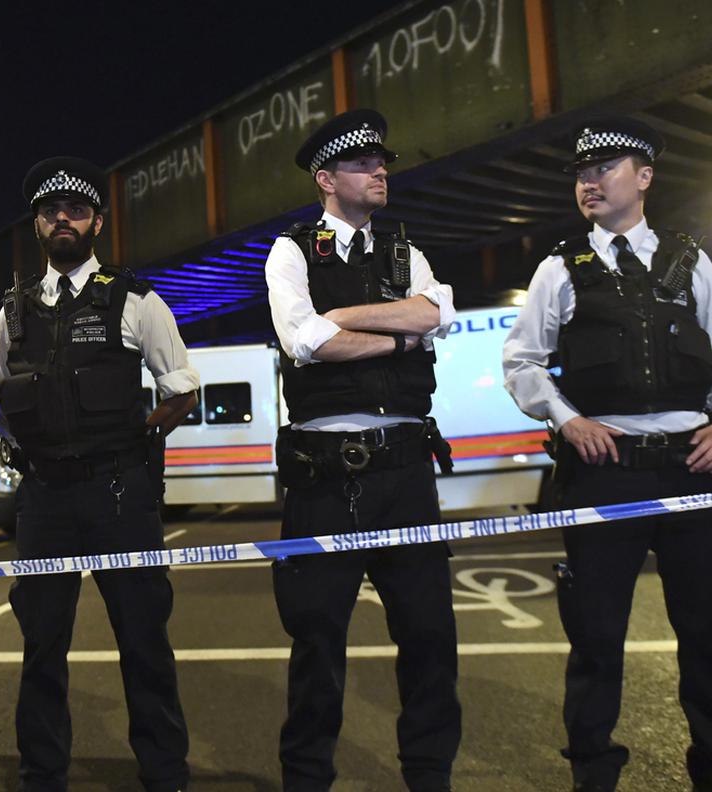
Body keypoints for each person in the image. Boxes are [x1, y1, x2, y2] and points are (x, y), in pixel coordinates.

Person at [502, 116, 712, 792]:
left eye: (604, 169)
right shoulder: (560, 266)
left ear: (644, 177)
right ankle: (593, 768)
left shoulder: (690, 259)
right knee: (595, 632)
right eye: (582, 173)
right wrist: (567, 419)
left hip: (692, 462)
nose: (588, 181)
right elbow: (522, 363)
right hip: (604, 466)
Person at [265, 109, 460, 792]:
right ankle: (307, 778)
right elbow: (304, 342)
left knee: (430, 636)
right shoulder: (290, 252)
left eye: (382, 162)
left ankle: (429, 775)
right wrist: (397, 331)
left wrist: (346, 318)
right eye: (362, 164)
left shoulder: (408, 250)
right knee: (318, 643)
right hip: (326, 476)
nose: (380, 171)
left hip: (406, 468)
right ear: (327, 179)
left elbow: (436, 314)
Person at [0, 156, 198, 792]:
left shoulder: (136, 300)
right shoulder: (13, 313)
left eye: (75, 211)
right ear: (37, 225)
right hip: (44, 499)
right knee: (42, 645)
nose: (62, 219)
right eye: (51, 211)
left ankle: (164, 773)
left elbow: (182, 389)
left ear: (96, 224)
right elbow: (3, 390)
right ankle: (42, 773)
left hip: (118, 492)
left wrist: (138, 438)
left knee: (143, 642)